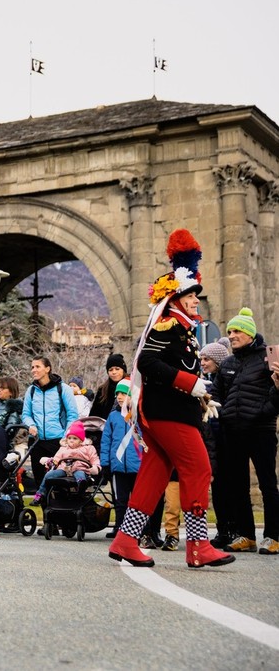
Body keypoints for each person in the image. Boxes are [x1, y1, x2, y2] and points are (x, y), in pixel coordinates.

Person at [108, 228, 233, 569]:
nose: (196, 300)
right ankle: (198, 545)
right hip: (168, 414)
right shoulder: (168, 325)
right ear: (177, 298)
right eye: (192, 295)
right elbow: (146, 362)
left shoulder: (182, 327)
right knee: (199, 468)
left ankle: (125, 540)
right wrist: (189, 383)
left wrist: (202, 397)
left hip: (168, 412)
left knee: (155, 474)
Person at [211, 308, 279, 555]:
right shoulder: (228, 363)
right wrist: (216, 409)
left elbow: (277, 398)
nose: (232, 335)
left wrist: (263, 411)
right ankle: (246, 535)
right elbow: (217, 393)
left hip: (261, 430)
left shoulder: (266, 359)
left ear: (250, 333)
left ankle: (273, 536)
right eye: (230, 331)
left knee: (267, 484)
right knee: (236, 485)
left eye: (237, 330)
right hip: (234, 431)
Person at [21, 356, 79, 506]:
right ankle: (47, 521)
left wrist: (67, 436)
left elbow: (73, 415)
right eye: (32, 367)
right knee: (41, 481)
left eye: (37, 366)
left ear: (47, 369)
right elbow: (25, 414)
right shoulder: (31, 391)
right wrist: (31, 425)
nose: (33, 370)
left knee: (59, 480)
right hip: (37, 442)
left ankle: (62, 520)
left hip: (58, 442)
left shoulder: (63, 389)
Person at [198, 340, 232, 547]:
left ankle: (230, 528)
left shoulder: (224, 381)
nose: (202, 362)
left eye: (207, 359)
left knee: (227, 487)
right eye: (201, 358)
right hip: (211, 440)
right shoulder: (205, 382)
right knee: (218, 488)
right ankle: (223, 530)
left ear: (218, 361)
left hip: (225, 439)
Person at [99, 378, 140, 539]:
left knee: (137, 500)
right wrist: (105, 463)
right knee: (120, 499)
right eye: (118, 394)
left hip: (137, 465)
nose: (120, 397)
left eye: (124, 393)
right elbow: (106, 440)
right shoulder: (113, 416)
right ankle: (119, 527)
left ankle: (138, 528)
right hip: (118, 466)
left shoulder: (139, 415)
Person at [31, 420, 100, 505]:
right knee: (49, 475)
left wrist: (96, 467)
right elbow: (57, 458)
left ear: (81, 440)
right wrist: (51, 462)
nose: (71, 440)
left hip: (80, 468)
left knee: (80, 474)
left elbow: (95, 459)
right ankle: (40, 494)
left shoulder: (88, 448)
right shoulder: (63, 448)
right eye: (69, 438)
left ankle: (81, 486)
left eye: (75, 438)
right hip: (64, 469)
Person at [89, 353, 128, 420]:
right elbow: (94, 415)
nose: (114, 372)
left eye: (117, 369)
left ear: (123, 370)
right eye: (111, 370)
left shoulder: (130, 385)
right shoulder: (102, 390)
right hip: (105, 428)